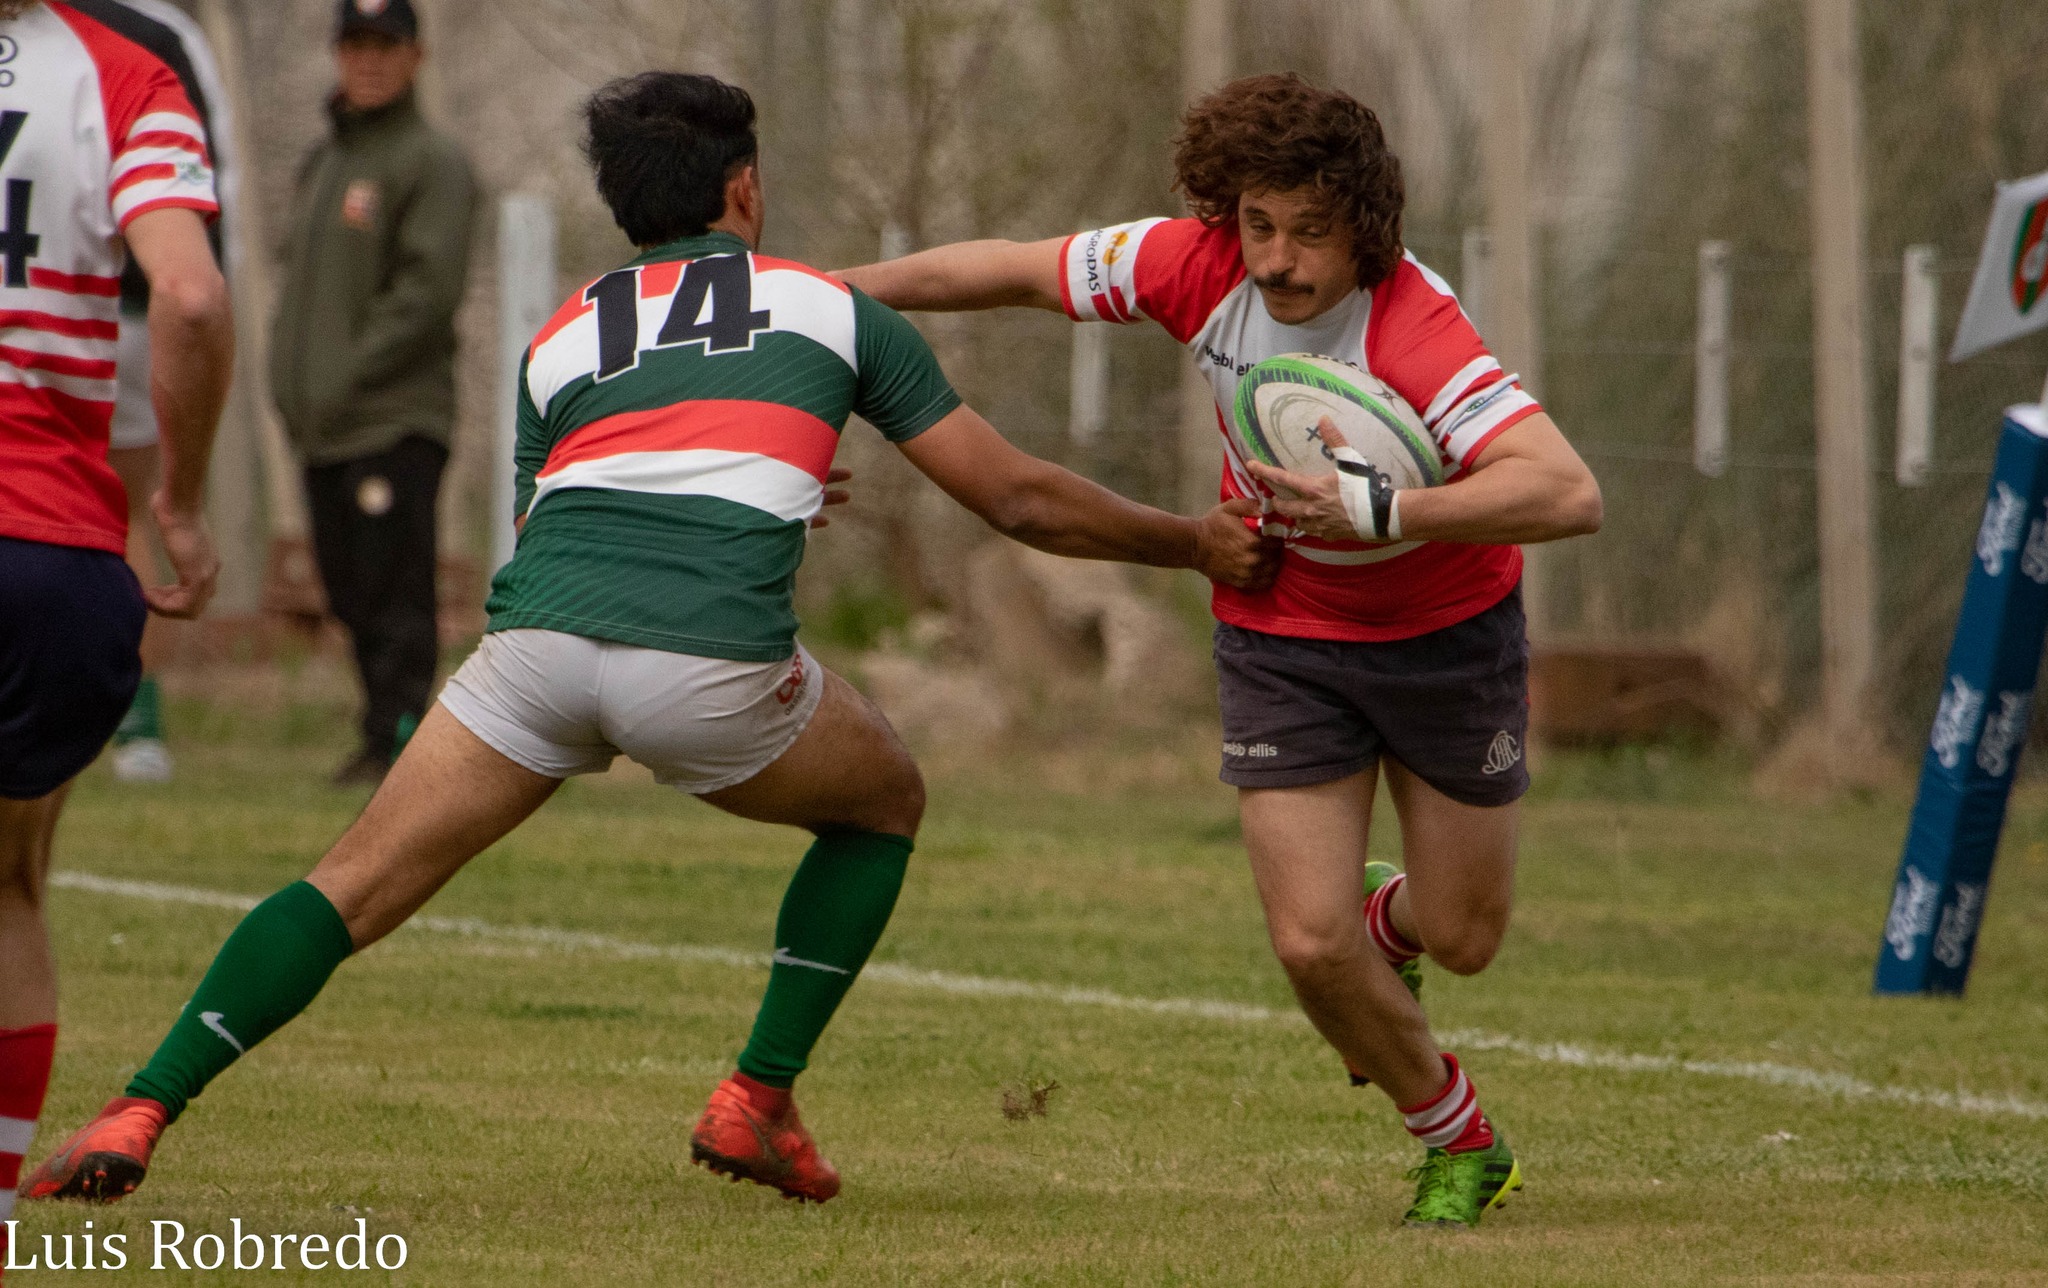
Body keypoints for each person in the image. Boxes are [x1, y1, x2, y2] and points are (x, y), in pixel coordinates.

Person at [23, 71, 1276, 1208]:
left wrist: (727, 482)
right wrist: (1191, 542)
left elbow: (555, 508)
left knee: (346, 888)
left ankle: (138, 1106)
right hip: (709, 669)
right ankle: (755, 1097)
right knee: (885, 796)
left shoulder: (559, 334)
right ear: (744, 188)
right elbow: (1016, 498)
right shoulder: (830, 309)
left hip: (537, 655)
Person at [838, 72, 1602, 1228]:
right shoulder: (1190, 265)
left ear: (1365, 231)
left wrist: (1386, 514)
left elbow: (1565, 490)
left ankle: (1389, 928)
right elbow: (996, 270)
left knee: (1462, 938)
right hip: (1278, 629)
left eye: (1308, 232)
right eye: (1256, 225)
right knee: (1306, 940)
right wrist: (818, 295)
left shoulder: (1415, 329)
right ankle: (1455, 1135)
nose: (1275, 260)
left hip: (1446, 639)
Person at [0, 0, 229, 1262]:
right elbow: (187, 298)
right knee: (11, 889)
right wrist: (182, 505)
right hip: (49, 551)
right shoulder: (125, 71)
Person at [274, 0, 477, 786]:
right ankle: (376, 732)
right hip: (326, 425)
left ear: (415, 56)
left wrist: (343, 372)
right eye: (355, 45)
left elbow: (425, 296)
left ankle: (400, 736)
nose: (369, 61)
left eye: (385, 46)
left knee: (397, 586)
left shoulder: (431, 161)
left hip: (393, 418)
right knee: (350, 586)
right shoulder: (325, 162)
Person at [101, 0, 239, 783]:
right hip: (126, 313)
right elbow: (196, 280)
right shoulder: (159, 40)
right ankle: (134, 723)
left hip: (67, 314)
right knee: (122, 514)